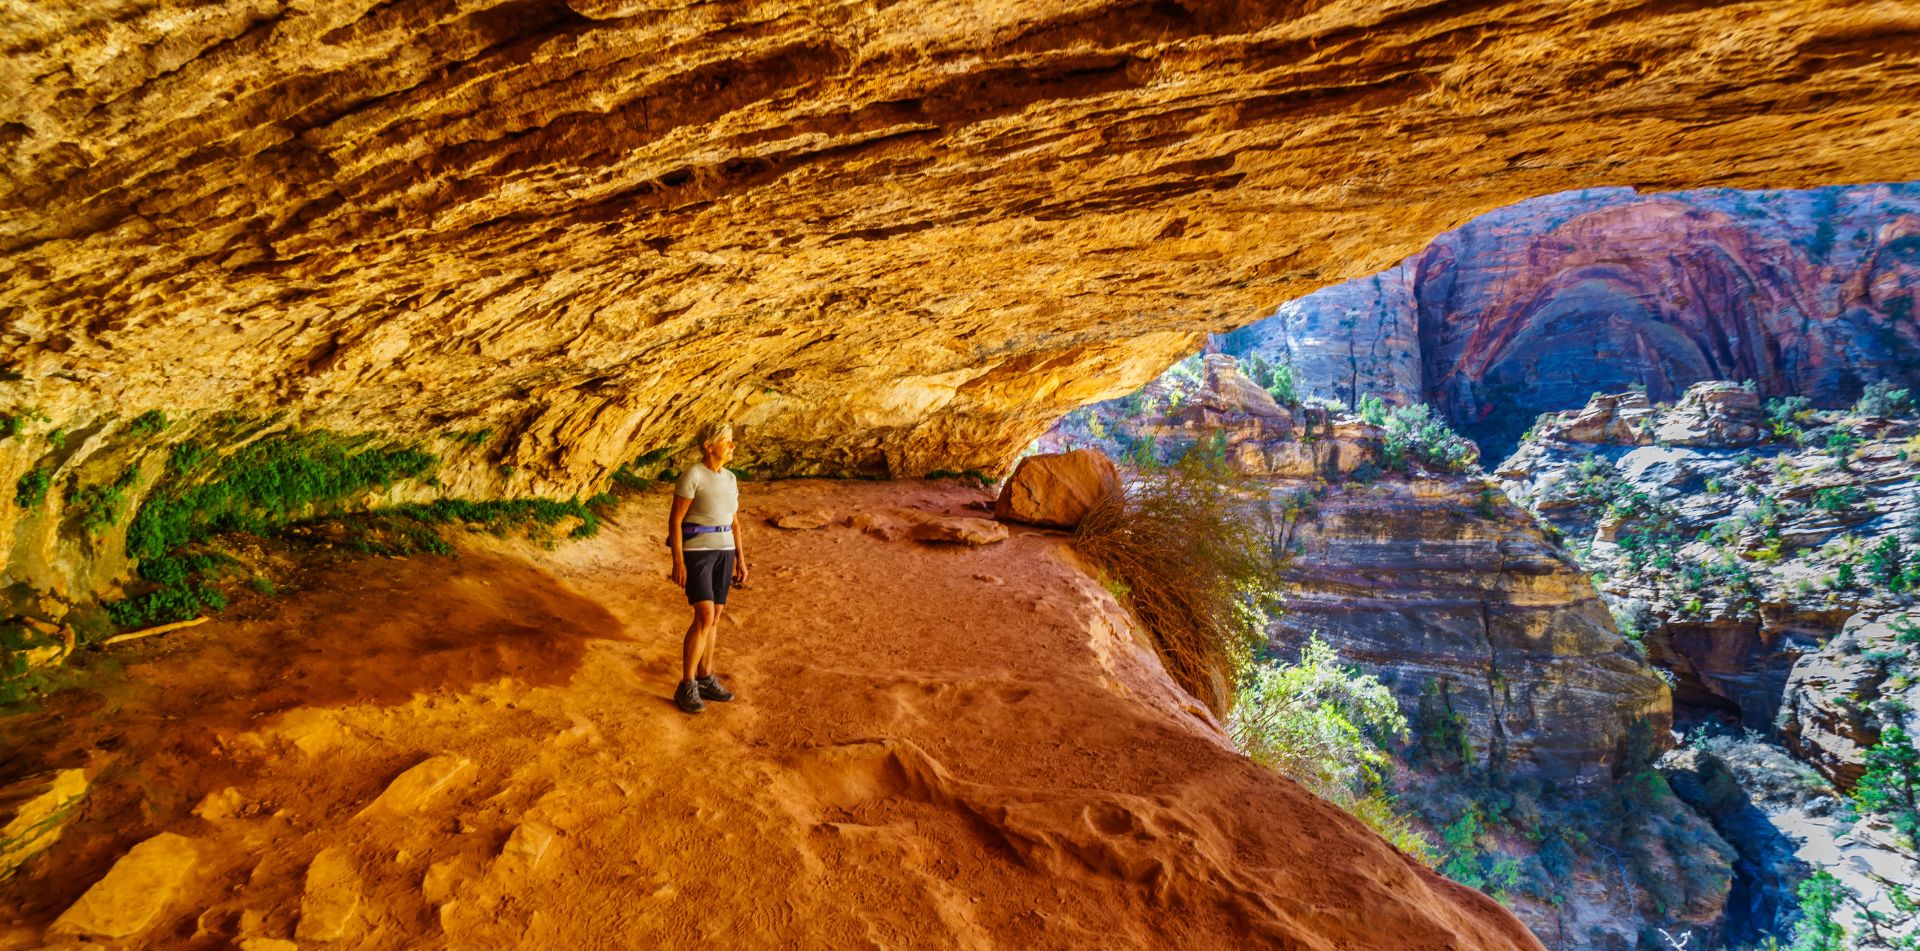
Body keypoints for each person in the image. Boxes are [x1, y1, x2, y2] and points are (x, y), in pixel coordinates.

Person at [667, 422, 747, 713]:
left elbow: (735, 522)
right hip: (698, 551)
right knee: (705, 614)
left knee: (715, 617)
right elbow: (675, 520)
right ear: (708, 446)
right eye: (727, 441)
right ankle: (686, 684)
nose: (732, 445)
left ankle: (705, 677)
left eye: (731, 441)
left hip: (725, 550)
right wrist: (678, 560)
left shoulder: (730, 478)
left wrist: (741, 558)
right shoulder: (693, 475)